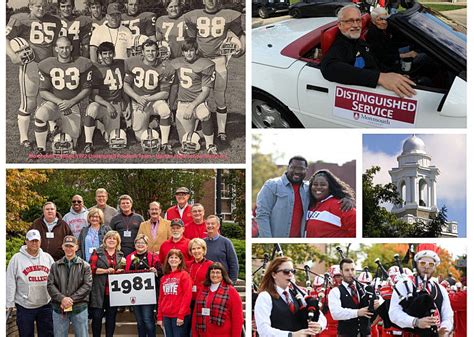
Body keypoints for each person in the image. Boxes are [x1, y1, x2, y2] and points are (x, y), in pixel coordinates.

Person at [320, 4, 416, 98]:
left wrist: (393, 75)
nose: (356, 25)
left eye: (358, 20)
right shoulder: (341, 45)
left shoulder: (359, 41)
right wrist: (379, 77)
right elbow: (329, 67)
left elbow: (374, 61)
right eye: (350, 21)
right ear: (340, 25)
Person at [183, 0, 245, 144]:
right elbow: (191, 40)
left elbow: (241, 34)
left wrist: (242, 49)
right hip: (201, 61)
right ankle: (195, 126)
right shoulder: (193, 16)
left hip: (218, 60)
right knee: (197, 94)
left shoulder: (229, 14)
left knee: (219, 96)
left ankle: (221, 131)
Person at [6, 0, 62, 149]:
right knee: (29, 102)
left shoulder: (55, 21)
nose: (41, 8)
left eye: (44, 5)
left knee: (47, 101)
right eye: (37, 5)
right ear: (30, 6)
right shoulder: (20, 19)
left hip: (49, 66)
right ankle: (24, 138)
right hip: (30, 64)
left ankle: (51, 129)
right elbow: (4, 38)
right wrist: (12, 55)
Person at [34, 36, 93, 154]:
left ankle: (58, 128)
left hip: (72, 104)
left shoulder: (82, 63)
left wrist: (71, 102)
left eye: (67, 47)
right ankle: (41, 148)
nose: (64, 50)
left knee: (73, 143)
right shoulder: (46, 64)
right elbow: (43, 91)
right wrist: (60, 102)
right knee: (40, 114)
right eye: (61, 48)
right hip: (54, 103)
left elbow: (87, 89)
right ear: (56, 49)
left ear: (71, 48)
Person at [389, 244, 453, 337]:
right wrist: (416, 322)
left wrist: (444, 329)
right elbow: (394, 313)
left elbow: (448, 315)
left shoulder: (441, 289)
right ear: (417, 264)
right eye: (423, 263)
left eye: (431, 264)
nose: (426, 267)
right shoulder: (404, 283)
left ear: (435, 267)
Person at [255, 256, 326, 337]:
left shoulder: (299, 294)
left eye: (292, 271)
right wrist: (291, 335)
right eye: (286, 271)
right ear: (274, 274)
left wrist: (319, 326)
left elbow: (322, 317)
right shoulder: (265, 296)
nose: (290, 274)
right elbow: (263, 330)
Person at [169, 38, 218, 154]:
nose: (189, 53)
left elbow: (205, 91)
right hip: (182, 104)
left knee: (204, 114)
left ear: (196, 51)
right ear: (182, 52)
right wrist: (171, 105)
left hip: (198, 103)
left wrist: (192, 106)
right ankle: (200, 132)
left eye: (191, 50)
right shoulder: (177, 63)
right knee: (185, 140)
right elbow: (174, 86)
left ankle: (210, 145)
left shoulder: (205, 64)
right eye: (186, 51)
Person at [123, 39, 175, 150]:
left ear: (157, 52)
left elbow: (165, 93)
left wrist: (147, 99)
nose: (150, 53)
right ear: (142, 52)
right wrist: (138, 98)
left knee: (165, 110)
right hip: (138, 102)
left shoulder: (165, 66)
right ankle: (154, 124)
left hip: (154, 100)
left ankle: (164, 143)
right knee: (139, 137)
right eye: (147, 51)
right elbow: (126, 85)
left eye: (153, 50)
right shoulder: (132, 62)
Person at [6, 229, 55, 337]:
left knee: (47, 334)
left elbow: (55, 279)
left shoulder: (47, 258)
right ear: (26, 241)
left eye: (36, 241)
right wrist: (10, 303)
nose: (34, 243)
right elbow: (10, 281)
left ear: (40, 241)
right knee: (26, 334)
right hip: (25, 306)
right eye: (31, 241)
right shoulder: (16, 259)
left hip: (45, 304)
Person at [84, 42, 125, 154]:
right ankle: (88, 143)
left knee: (112, 139)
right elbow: (94, 95)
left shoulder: (121, 64)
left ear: (114, 53)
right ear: (100, 55)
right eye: (105, 53)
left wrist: (126, 104)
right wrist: (108, 105)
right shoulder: (96, 69)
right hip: (102, 105)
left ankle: (100, 127)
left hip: (116, 104)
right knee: (92, 108)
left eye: (110, 53)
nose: (108, 56)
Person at [47, 236, 92, 337]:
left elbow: (87, 286)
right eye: (66, 246)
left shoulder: (85, 266)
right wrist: (62, 299)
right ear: (62, 247)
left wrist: (70, 299)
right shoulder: (55, 265)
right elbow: (50, 285)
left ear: (76, 247)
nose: (69, 248)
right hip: (59, 308)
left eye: (71, 246)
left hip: (79, 307)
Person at [328, 258, 379, 337]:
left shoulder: (365, 288)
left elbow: (381, 305)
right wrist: (357, 312)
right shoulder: (335, 291)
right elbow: (336, 314)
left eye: (352, 269)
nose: (350, 273)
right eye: (347, 270)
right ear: (341, 272)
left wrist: (377, 305)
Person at [125, 234, 163, 337]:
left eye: (143, 243)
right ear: (134, 244)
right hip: (134, 293)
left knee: (147, 319)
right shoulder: (129, 257)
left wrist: (155, 271)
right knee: (139, 320)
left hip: (148, 294)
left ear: (147, 245)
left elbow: (161, 272)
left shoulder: (153, 257)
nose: (140, 245)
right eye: (138, 242)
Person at [89, 231, 125, 337]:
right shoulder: (97, 252)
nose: (111, 240)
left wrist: (120, 271)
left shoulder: (120, 255)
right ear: (105, 240)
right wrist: (106, 271)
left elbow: (123, 271)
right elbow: (91, 269)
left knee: (111, 318)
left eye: (114, 239)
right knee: (97, 317)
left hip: (113, 292)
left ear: (117, 241)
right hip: (99, 291)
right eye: (109, 238)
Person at [192, 262, 244, 337]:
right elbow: (195, 314)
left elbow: (237, 319)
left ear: (223, 275)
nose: (215, 275)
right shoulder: (203, 290)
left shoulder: (231, 292)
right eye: (212, 272)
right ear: (209, 275)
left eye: (218, 272)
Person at [305, 169, 356, 237]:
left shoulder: (341, 205)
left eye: (323, 185)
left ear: (330, 187)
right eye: (315, 184)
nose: (318, 187)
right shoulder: (309, 205)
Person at [157, 249, 193, 337]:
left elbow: (187, 296)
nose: (173, 259)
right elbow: (161, 298)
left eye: (176, 257)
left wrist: (181, 315)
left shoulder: (184, 275)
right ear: (168, 260)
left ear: (180, 261)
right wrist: (160, 317)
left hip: (179, 315)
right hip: (166, 315)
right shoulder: (164, 278)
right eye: (171, 257)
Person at [204, 215, 238, 283]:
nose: (210, 226)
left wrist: (232, 281)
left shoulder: (226, 242)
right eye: (208, 224)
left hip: (223, 282)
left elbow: (233, 264)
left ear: (218, 226)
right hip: (206, 282)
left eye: (213, 223)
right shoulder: (202, 243)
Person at [187, 238, 213, 311]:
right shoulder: (187, 265)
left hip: (203, 299)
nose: (196, 251)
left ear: (203, 250)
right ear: (191, 251)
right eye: (193, 249)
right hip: (188, 300)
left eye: (199, 248)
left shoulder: (210, 265)